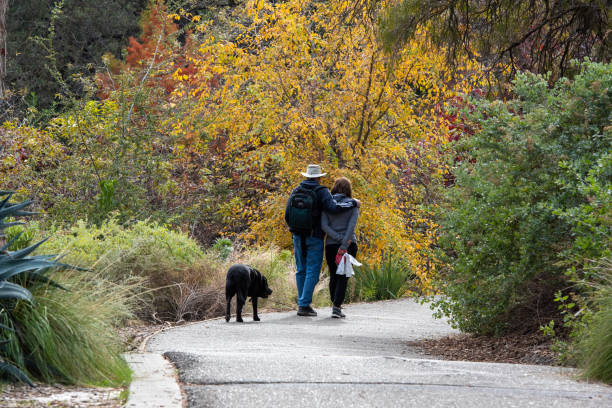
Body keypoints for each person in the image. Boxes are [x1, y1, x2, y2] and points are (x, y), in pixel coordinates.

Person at [285, 164, 359, 317]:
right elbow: (333, 208)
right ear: (319, 177)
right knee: (313, 270)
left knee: (301, 269)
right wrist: (353, 203)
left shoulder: (296, 190)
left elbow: (287, 215)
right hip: (314, 236)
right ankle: (304, 305)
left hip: (297, 236)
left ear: (306, 175)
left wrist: (296, 230)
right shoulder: (322, 191)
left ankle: (302, 302)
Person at [321, 177, 359, 318]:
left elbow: (324, 226)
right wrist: (344, 243)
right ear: (348, 189)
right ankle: (336, 307)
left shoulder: (327, 205)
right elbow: (351, 226)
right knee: (343, 275)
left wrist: (336, 239)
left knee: (334, 274)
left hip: (331, 244)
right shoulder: (353, 205)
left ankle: (335, 304)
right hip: (349, 244)